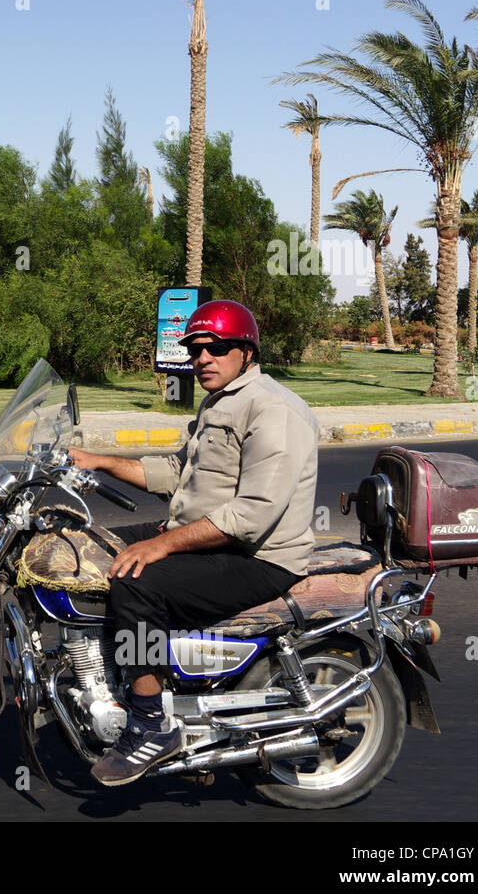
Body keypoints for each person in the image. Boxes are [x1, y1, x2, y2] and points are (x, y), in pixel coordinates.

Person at [67, 300, 320, 786]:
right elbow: (178, 472)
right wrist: (99, 460)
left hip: (258, 556)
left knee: (136, 581)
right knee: (89, 546)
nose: (203, 358)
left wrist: (163, 546)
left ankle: (149, 722)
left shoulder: (275, 409)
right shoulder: (220, 400)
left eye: (216, 348)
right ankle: (99, 672)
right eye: (195, 349)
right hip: (210, 536)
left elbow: (253, 514)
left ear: (247, 351)